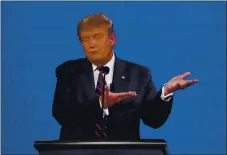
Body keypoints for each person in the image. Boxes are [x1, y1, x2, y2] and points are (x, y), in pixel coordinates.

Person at [52, 13, 198, 141]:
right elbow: (62, 114)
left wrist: (166, 91)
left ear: (112, 39)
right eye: (85, 39)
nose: (91, 44)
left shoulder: (139, 74)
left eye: (97, 37)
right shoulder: (68, 72)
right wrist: (100, 104)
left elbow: (153, 120)